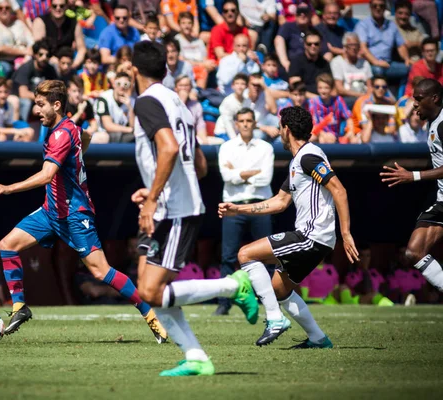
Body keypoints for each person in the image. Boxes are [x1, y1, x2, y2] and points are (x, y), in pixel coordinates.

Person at [0, 79, 167, 343]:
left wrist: (9, 188)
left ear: (56, 105)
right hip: (51, 212)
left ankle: (150, 315)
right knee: (7, 245)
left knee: (101, 272)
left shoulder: (60, 134)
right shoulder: (68, 128)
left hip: (75, 215)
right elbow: (86, 137)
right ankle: (19, 307)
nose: (36, 110)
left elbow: (47, 176)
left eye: (41, 105)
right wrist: (77, 155)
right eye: (36, 104)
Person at [129, 40, 257, 376]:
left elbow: (169, 149)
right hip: (173, 204)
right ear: (166, 69)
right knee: (150, 286)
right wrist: (154, 186)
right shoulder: (179, 103)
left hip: (174, 209)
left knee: (150, 291)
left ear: (133, 70)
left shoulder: (146, 101)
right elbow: (199, 164)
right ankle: (196, 357)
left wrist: (155, 195)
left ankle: (233, 286)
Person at [219, 106, 360, 348]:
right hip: (316, 238)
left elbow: (339, 190)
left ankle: (274, 319)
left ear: (286, 129)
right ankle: (318, 339)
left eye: (279, 127)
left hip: (311, 235)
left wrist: (345, 233)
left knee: (246, 254)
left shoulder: (308, 157)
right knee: (279, 290)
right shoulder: (298, 161)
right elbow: (280, 202)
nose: (277, 132)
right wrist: (238, 209)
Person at [380, 78, 443, 293]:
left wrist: (413, 176)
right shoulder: (433, 123)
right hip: (441, 200)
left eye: (418, 99)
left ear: (434, 98)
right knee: (414, 252)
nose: (414, 104)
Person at [214, 108, 274, 315]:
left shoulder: (265, 147)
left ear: (254, 122)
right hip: (233, 205)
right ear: (236, 124)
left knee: (267, 255)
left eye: (249, 120)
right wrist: (251, 173)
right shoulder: (226, 147)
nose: (246, 124)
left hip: (260, 205)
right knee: (228, 256)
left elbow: (265, 179)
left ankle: (270, 301)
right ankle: (224, 303)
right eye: (242, 120)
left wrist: (237, 173)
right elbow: (225, 176)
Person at [12, 39, 58, 122]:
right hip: (21, 100)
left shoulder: (50, 70)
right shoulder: (26, 68)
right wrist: (44, 99)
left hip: (39, 101)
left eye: (47, 55)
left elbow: (55, 90)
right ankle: (23, 128)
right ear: (35, 55)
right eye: (41, 54)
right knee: (26, 103)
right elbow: (23, 94)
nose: (44, 58)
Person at [32, 0, 86, 68]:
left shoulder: (74, 23)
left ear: (66, 6)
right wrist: (51, 59)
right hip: (47, 62)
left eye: (61, 6)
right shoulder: (40, 21)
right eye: (54, 6)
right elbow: (39, 49)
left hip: (67, 64)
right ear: (50, 6)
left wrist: (74, 65)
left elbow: (82, 49)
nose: (58, 8)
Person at [0, 77, 35, 141]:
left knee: (29, 132)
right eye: (0, 92)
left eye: (6, 92)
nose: (3, 95)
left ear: (9, 92)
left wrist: (16, 134)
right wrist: (15, 131)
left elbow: (9, 125)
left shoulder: (9, 105)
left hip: (2, 130)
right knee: (2, 137)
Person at [330, 32, 373, 110]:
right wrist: (361, 95)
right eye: (351, 45)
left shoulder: (365, 63)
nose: (354, 48)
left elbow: (369, 86)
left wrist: (368, 96)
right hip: (347, 98)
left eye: (356, 45)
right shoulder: (337, 62)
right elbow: (340, 89)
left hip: (365, 98)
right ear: (345, 47)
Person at [307, 73, 353, 144]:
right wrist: (323, 134)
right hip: (318, 134)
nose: (323, 91)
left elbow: (349, 118)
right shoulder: (313, 102)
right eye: (320, 88)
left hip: (334, 136)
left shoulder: (338, 101)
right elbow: (311, 124)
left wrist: (350, 132)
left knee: (353, 139)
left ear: (331, 89)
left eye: (326, 88)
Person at [288, 27, 332, 96]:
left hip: (322, 98)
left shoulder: (324, 63)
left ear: (320, 45)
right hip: (304, 100)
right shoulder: (296, 61)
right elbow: (295, 88)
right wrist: (316, 98)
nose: (313, 46)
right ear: (305, 45)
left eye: (316, 44)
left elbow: (330, 85)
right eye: (309, 44)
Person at [94, 72, 135, 143]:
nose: (122, 87)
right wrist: (130, 130)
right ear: (114, 84)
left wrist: (130, 108)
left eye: (125, 84)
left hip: (124, 136)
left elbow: (133, 126)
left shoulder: (131, 101)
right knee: (102, 138)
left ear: (129, 86)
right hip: (105, 135)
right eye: (118, 83)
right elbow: (108, 126)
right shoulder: (104, 98)